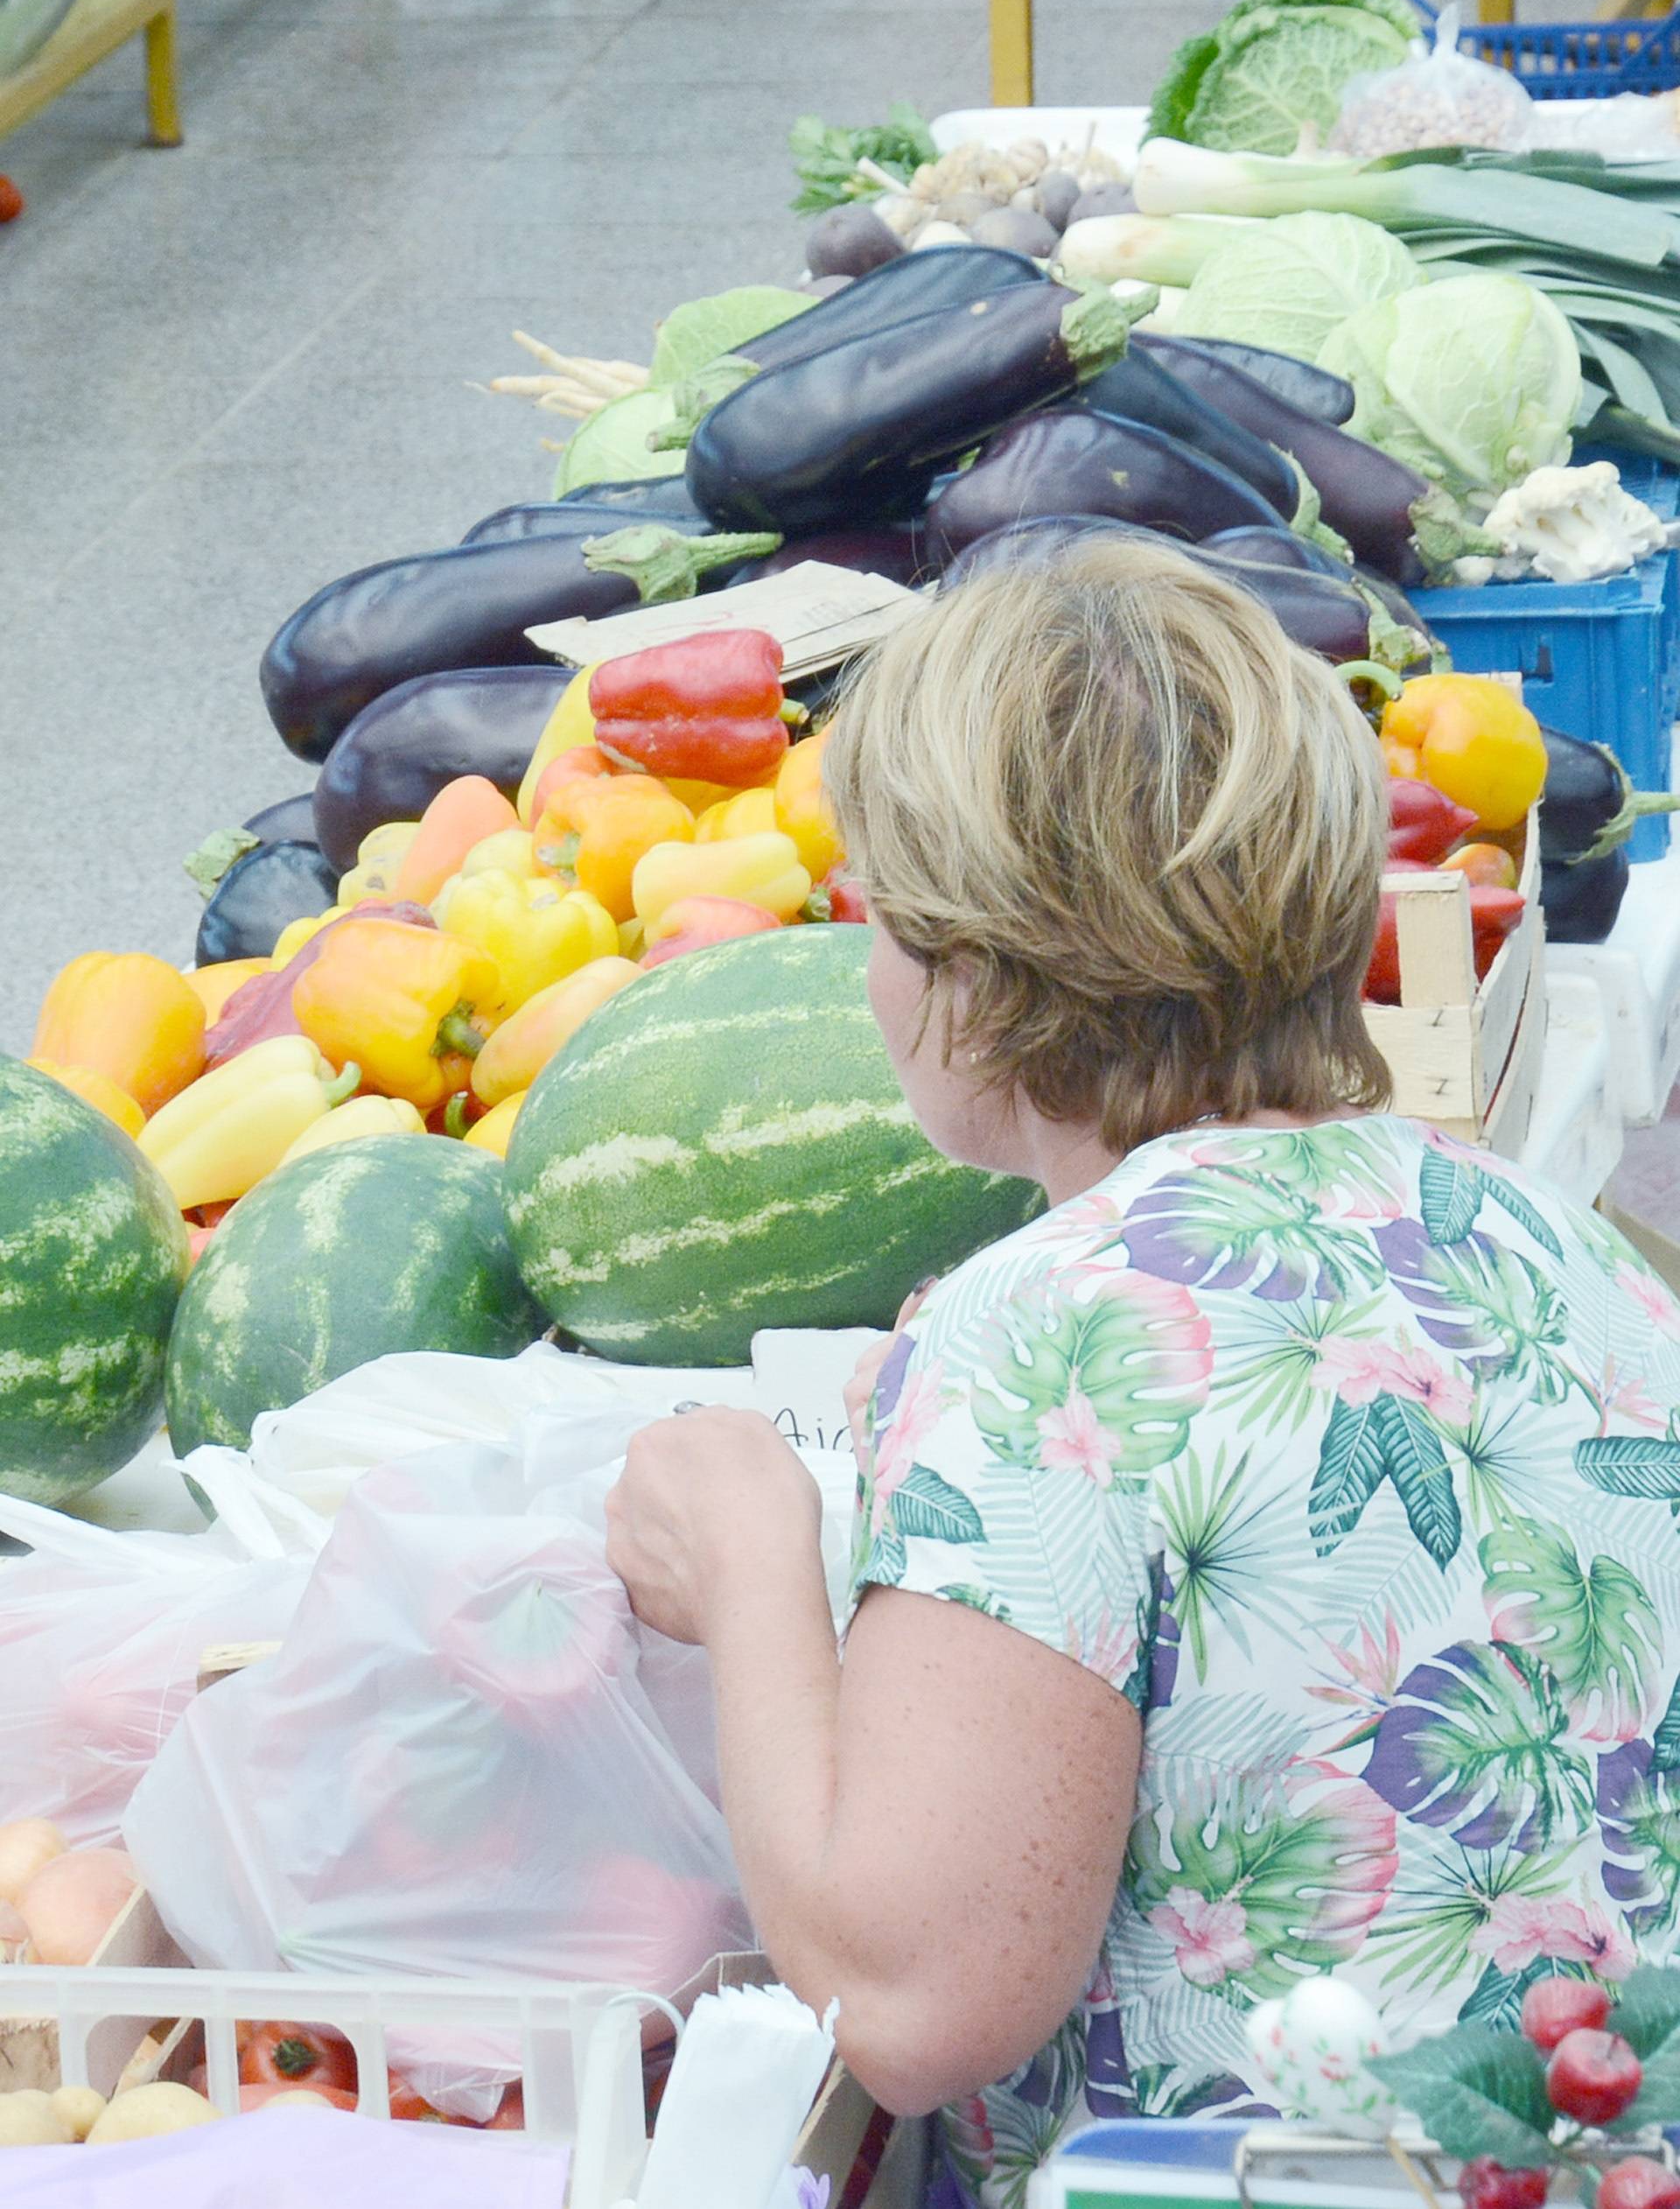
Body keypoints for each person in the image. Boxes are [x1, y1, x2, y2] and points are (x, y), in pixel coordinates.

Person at [604, 542, 1680, 2209]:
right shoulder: (1551, 1239)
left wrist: (751, 1553)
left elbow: (912, 2004)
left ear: (976, 972)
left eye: (880, 918)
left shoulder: (1048, 1340)